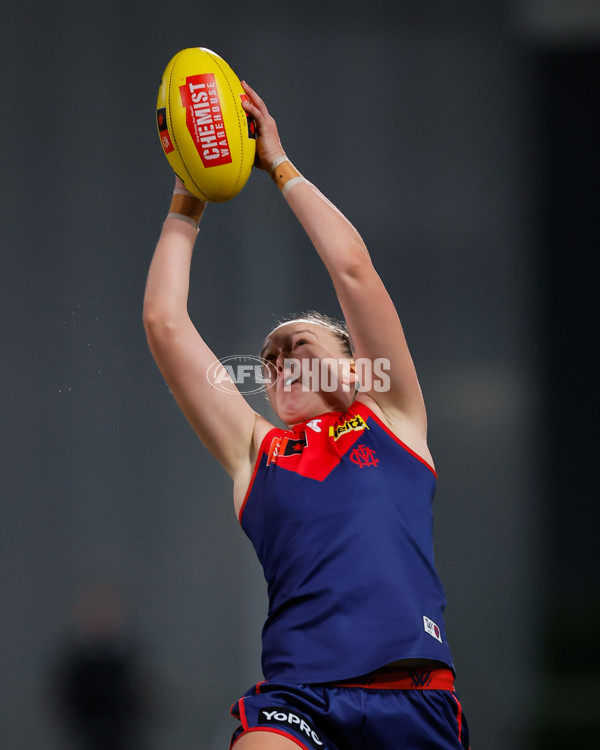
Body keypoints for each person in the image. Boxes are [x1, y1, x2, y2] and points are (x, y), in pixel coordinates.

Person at [143, 80, 470, 750]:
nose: (280, 356)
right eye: (269, 356)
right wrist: (189, 193)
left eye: (301, 344)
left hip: (413, 699)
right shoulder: (255, 452)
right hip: (298, 697)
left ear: (355, 368)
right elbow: (165, 323)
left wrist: (278, 165)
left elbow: (353, 272)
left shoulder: (393, 416)